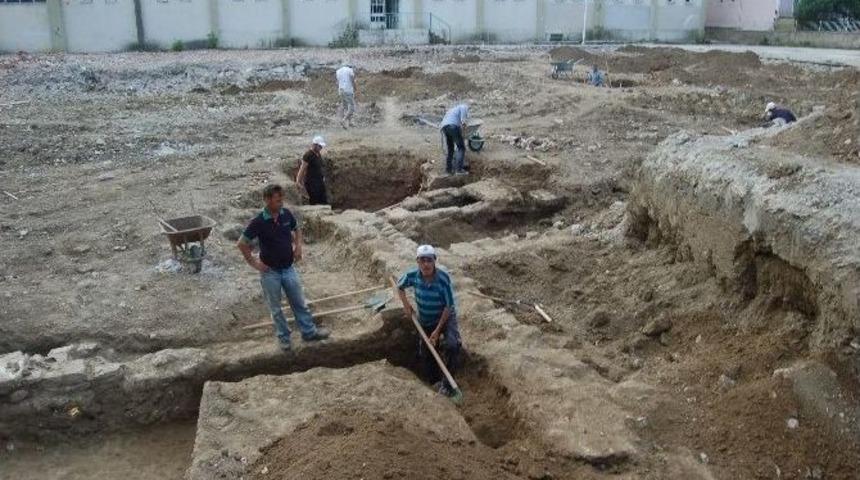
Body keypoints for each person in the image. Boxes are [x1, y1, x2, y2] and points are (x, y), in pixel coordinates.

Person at [237, 184, 330, 351]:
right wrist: (255, 263)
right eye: (277, 200)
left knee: (299, 302)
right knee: (276, 309)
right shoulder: (258, 222)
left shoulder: (286, 214)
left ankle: (309, 332)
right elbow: (242, 243)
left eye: (282, 200)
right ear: (267, 200)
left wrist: (298, 246)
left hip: (288, 268)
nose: (281, 203)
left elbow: (296, 229)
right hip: (270, 272)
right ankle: (284, 338)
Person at [396, 245, 462, 397]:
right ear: (417, 261)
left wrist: (437, 331)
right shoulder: (412, 276)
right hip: (426, 319)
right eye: (422, 260)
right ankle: (434, 381)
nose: (426, 264)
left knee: (452, 345)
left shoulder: (443, 279)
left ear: (434, 261)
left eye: (429, 260)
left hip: (445, 317)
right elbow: (400, 287)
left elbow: (448, 306)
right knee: (426, 351)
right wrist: (406, 306)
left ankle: (448, 385)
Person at [295, 136, 328, 206]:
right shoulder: (308, 155)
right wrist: (298, 181)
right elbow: (302, 169)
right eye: (320, 146)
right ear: (315, 145)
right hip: (312, 183)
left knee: (323, 200)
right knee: (315, 201)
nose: (321, 148)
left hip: (320, 182)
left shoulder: (318, 154)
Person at [440, 103, 470, 176]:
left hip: (444, 127)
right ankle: (459, 170)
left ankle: (448, 171)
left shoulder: (452, 110)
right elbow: (463, 121)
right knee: (461, 148)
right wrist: (464, 132)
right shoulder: (464, 107)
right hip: (452, 126)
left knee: (450, 149)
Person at [335, 63, 357, 129]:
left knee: (346, 107)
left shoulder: (338, 71)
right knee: (352, 107)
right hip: (348, 90)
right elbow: (352, 80)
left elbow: (337, 82)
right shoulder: (350, 70)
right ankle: (343, 120)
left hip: (341, 90)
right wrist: (355, 88)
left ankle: (350, 123)